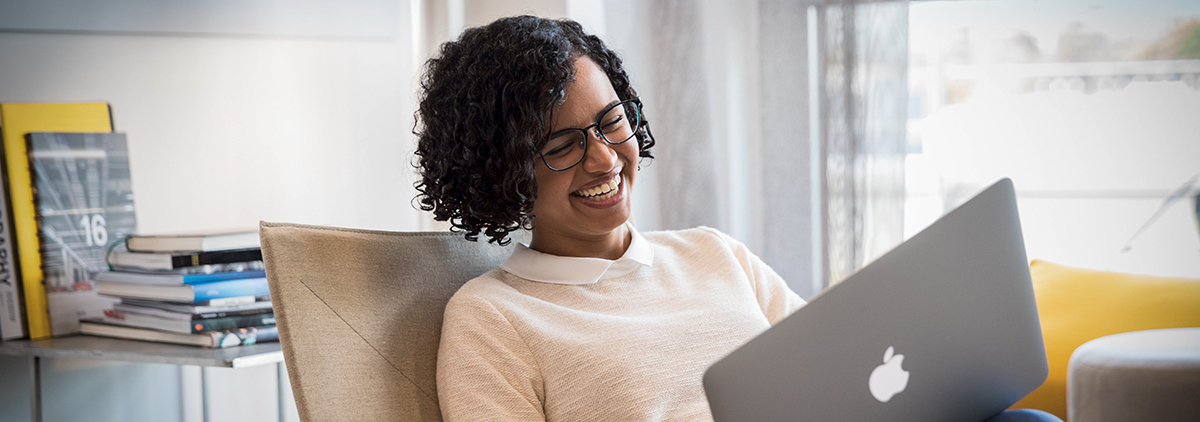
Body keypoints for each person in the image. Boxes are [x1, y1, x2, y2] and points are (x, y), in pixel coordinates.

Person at [414, 15, 1058, 422]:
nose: (605, 158)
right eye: (561, 145)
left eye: (611, 122)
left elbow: (851, 372)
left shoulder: (712, 254)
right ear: (500, 171)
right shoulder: (491, 318)